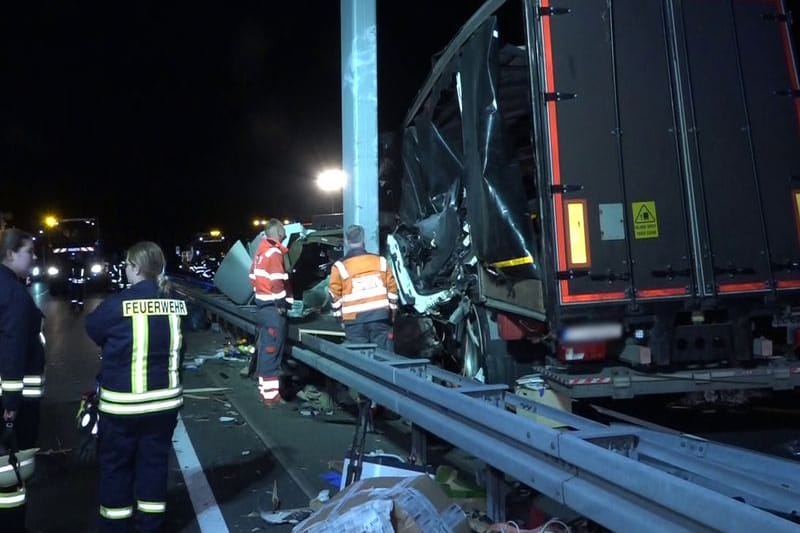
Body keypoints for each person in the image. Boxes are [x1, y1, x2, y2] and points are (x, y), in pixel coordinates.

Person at [85, 241, 186, 533]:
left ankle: (117, 527)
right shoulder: (177, 304)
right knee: (153, 467)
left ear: (137, 267)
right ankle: (150, 526)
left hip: (122, 408)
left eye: (128, 265)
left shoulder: (117, 305)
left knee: (116, 469)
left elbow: (93, 328)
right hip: (164, 405)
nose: (126, 270)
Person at [0, 228, 45, 533]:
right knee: (11, 471)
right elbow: (13, 347)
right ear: (11, 253)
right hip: (12, 401)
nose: (33, 258)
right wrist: (11, 403)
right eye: (29, 252)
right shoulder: (14, 293)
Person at [328, 224, 398, 350]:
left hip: (354, 322)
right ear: (363, 239)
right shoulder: (380, 261)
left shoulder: (339, 266)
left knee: (361, 361)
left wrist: (340, 319)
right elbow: (393, 291)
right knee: (386, 359)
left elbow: (334, 297)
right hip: (380, 318)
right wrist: (392, 314)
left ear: (346, 241)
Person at [249, 219, 293, 405]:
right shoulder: (274, 253)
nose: (284, 234)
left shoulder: (260, 252)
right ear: (279, 233)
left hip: (263, 306)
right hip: (273, 309)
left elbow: (252, 276)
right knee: (272, 350)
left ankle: (264, 390)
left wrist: (261, 293)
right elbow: (277, 281)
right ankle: (271, 397)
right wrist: (281, 303)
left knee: (266, 348)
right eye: (283, 231)